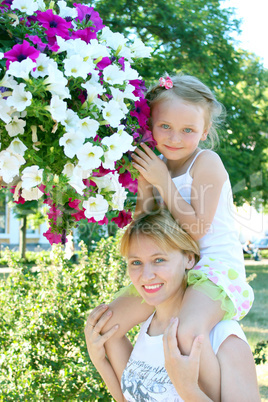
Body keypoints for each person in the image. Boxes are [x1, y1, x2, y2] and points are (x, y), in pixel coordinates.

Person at [98, 74, 255, 400]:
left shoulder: (206, 162)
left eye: (188, 130)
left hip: (213, 270)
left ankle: (208, 396)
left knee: (186, 333)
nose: (175, 137)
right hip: (172, 267)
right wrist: (146, 187)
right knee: (106, 324)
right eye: (165, 126)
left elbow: (196, 232)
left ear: (204, 131)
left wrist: (162, 181)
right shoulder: (157, 166)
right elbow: (146, 230)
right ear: (151, 123)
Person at [85, 210, 260, 401]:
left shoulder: (223, 338)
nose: (146, 275)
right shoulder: (149, 328)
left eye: (158, 260)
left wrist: (188, 390)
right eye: (136, 262)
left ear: (189, 259)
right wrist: (100, 361)